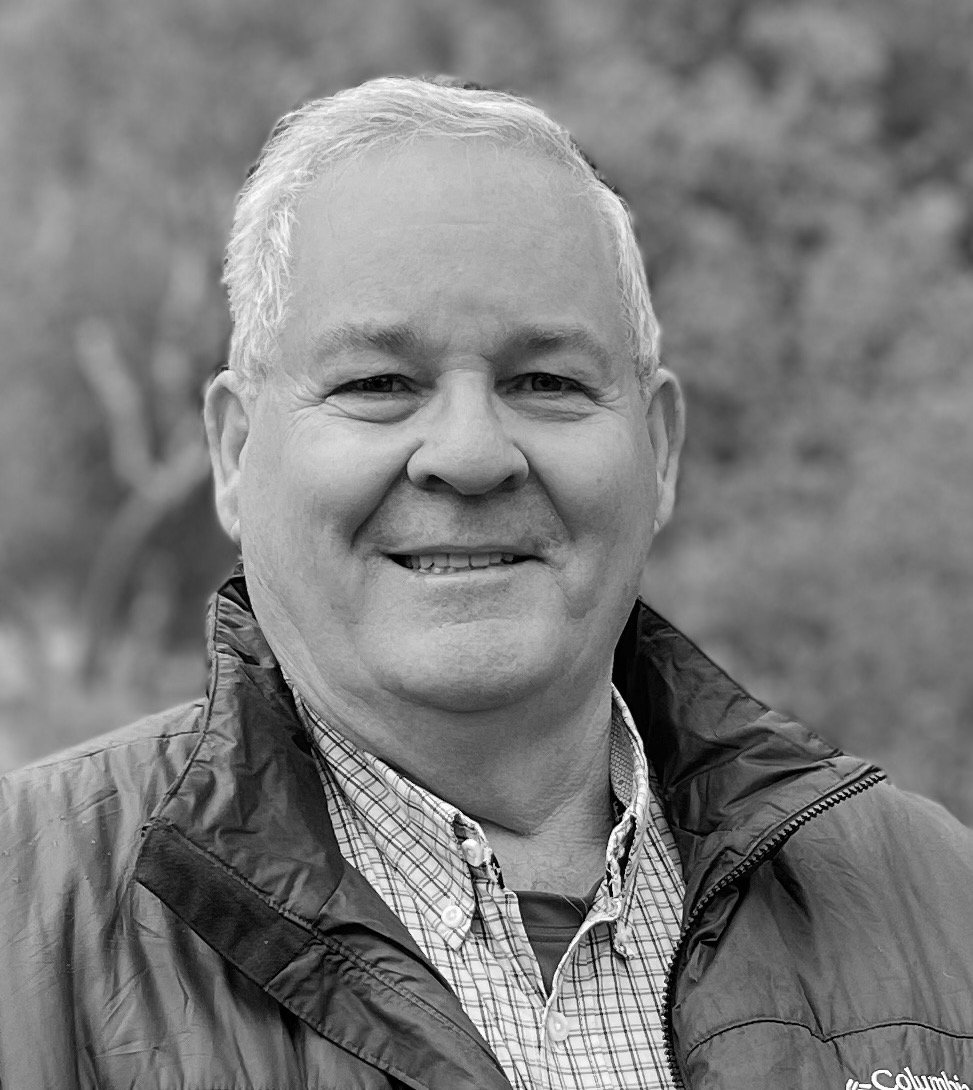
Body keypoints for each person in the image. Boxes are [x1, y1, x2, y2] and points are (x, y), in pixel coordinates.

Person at [1, 75, 971, 1090]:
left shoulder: (935, 901)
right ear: (235, 451)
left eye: (545, 381)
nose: (469, 454)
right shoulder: (24, 918)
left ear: (660, 449)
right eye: (378, 383)